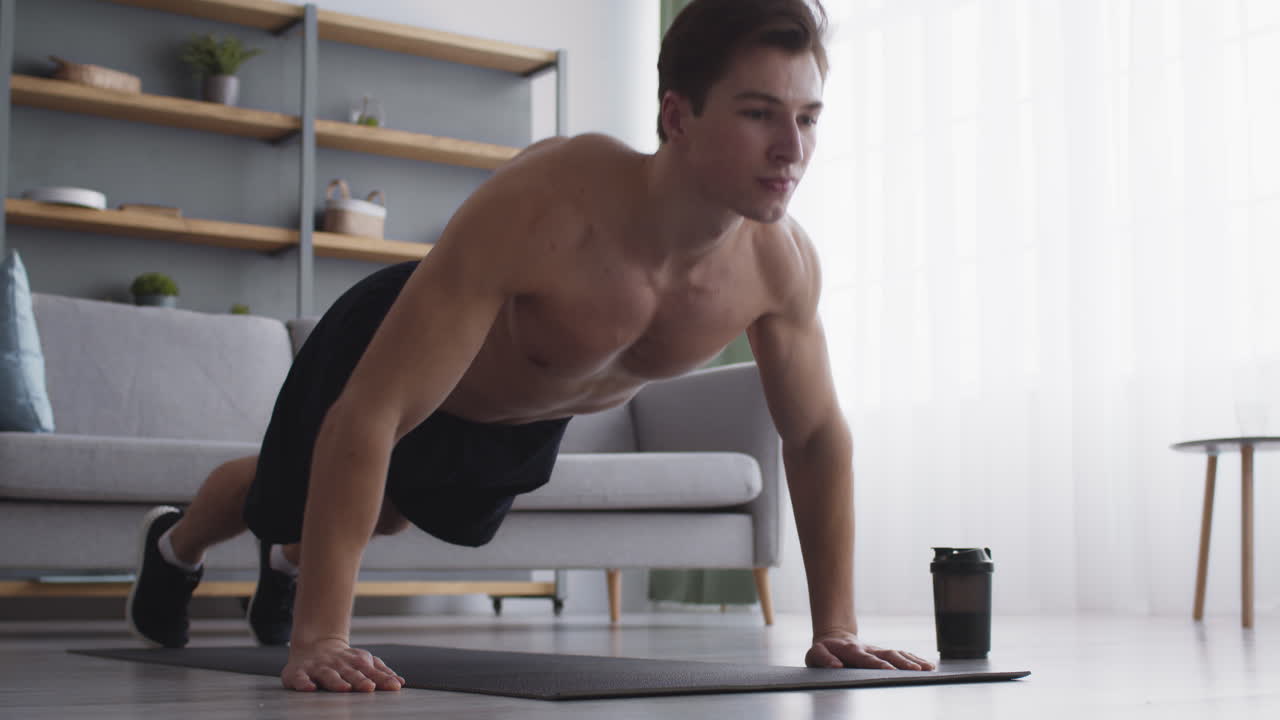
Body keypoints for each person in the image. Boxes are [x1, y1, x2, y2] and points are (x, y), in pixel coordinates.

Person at [125, 0, 936, 692]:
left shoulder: (779, 265)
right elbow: (371, 412)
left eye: (807, 118)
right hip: (391, 350)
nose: (792, 150)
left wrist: (837, 625)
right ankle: (176, 544)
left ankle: (290, 564)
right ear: (677, 116)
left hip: (515, 423)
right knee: (285, 494)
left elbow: (817, 434)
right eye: (760, 114)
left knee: (394, 513)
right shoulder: (549, 205)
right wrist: (322, 639)